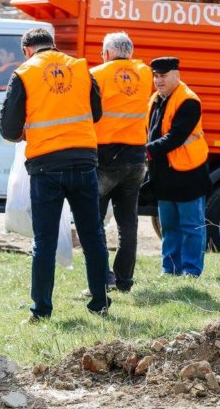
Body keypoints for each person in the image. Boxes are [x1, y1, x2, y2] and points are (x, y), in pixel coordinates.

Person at [0, 27, 110, 322]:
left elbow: (8, 129)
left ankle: (41, 311)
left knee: (44, 240)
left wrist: (26, 131)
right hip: (84, 161)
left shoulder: (24, 73)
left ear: (27, 50)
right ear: (54, 45)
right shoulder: (81, 68)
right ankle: (100, 301)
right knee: (92, 235)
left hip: (46, 166)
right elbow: (96, 113)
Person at [89, 31, 151, 292]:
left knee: (95, 222)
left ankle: (103, 278)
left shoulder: (96, 74)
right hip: (136, 155)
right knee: (128, 224)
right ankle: (125, 281)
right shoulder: (144, 73)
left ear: (106, 53)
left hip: (106, 156)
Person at [146, 57, 211, 277]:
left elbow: (176, 137)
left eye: (163, 76)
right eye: (155, 76)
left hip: (188, 173)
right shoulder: (156, 99)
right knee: (169, 226)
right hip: (164, 173)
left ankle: (191, 271)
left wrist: (146, 150)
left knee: (191, 226)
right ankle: (170, 269)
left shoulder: (189, 101)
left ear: (176, 74)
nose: (158, 80)